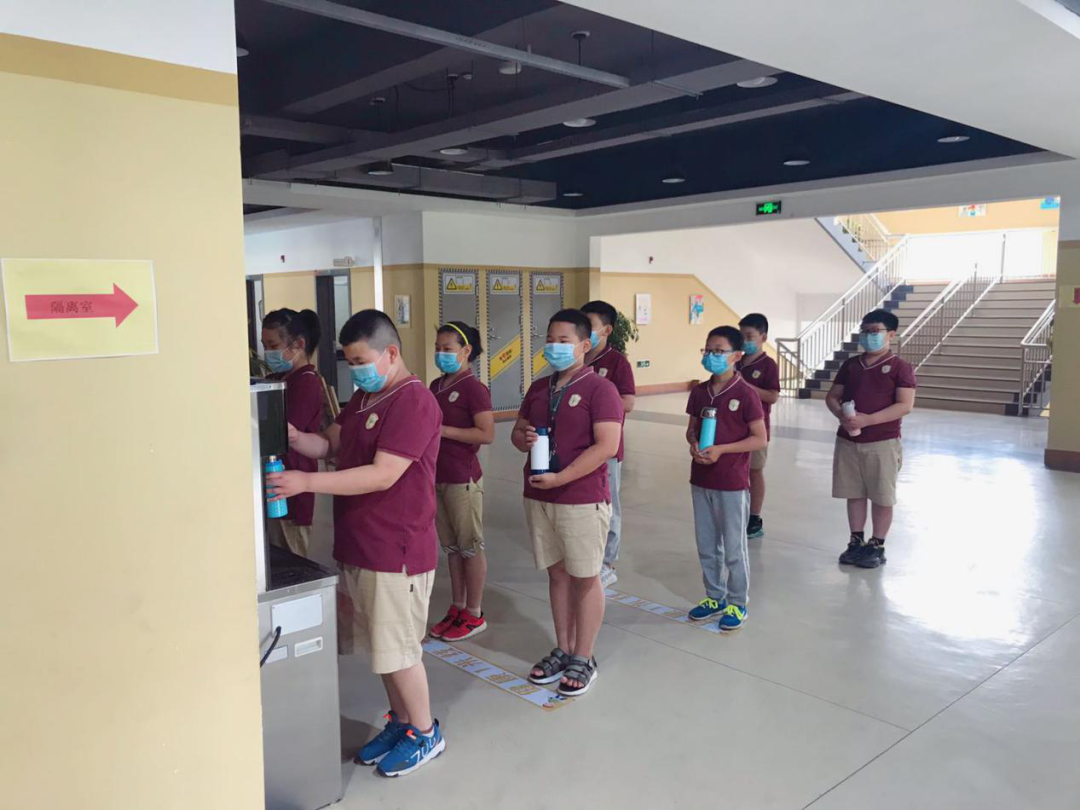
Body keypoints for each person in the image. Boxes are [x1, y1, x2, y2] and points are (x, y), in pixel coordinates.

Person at [267, 309, 445, 777]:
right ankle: (401, 722)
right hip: (361, 544)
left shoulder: (413, 401)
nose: (357, 372)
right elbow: (330, 445)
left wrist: (306, 484)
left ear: (391, 353)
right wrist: (295, 438)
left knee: (400, 650)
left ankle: (426, 732)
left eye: (362, 361)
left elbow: (383, 474)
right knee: (382, 650)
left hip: (396, 550)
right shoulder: (367, 397)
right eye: (350, 363)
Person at [512, 309, 622, 697]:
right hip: (539, 495)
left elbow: (607, 446)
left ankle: (584, 657)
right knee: (557, 574)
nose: (554, 347)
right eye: (550, 339)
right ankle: (564, 647)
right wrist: (524, 438)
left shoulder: (600, 390)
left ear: (584, 345)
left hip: (580, 498)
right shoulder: (539, 388)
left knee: (585, 576)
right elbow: (517, 434)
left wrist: (562, 478)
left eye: (564, 341)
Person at [685, 326, 766, 632]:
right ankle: (714, 596)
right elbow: (691, 429)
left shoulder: (745, 394)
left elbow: (759, 438)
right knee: (706, 544)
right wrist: (694, 443)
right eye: (708, 350)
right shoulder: (699, 392)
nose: (712, 356)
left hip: (731, 482)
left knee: (733, 547)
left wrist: (721, 450)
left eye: (719, 351)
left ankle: (737, 602)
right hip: (701, 478)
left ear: (736, 355)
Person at [825, 308, 916, 569]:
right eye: (864, 332)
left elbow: (904, 405)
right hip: (848, 441)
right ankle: (855, 541)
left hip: (882, 442)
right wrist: (841, 414)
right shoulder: (851, 365)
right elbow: (833, 396)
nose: (868, 336)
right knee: (853, 492)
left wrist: (868, 420)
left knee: (881, 495)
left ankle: (877, 545)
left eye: (874, 331)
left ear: (891, 334)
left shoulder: (900, 368)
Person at [428, 322, 495, 642]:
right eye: (437, 348)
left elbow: (486, 433)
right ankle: (457, 606)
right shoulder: (436, 385)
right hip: (437, 476)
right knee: (452, 548)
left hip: (462, 478)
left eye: (447, 349)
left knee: (470, 547)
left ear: (466, 351)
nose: (440, 354)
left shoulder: (473, 389)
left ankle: (474, 612)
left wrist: (442, 431)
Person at [261, 308, 324, 558]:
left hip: (292, 482)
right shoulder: (278, 378)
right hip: (273, 482)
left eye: (273, 345)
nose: (268, 352)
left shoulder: (306, 382)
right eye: (265, 346)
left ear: (298, 345)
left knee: (291, 555)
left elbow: (284, 432)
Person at [581, 300, 636, 588]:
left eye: (590, 326)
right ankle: (586, 556)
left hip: (606, 449)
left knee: (607, 503)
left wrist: (596, 400)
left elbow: (628, 402)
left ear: (606, 330)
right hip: (577, 446)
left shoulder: (617, 362)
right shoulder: (576, 357)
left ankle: (607, 563)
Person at [736, 313, 781, 540]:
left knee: (754, 471)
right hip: (733, 428)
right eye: (741, 336)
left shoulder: (768, 365)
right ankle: (737, 513)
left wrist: (746, 386)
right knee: (736, 472)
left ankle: (754, 517)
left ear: (763, 337)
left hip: (756, 430)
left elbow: (772, 396)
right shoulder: (735, 361)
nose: (745, 341)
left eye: (749, 336)